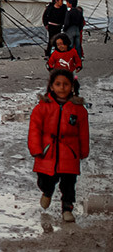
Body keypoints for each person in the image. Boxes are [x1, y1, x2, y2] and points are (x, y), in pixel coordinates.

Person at [28, 69, 89, 223]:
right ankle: (47, 192)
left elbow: (83, 132)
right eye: (58, 84)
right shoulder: (42, 107)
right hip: (47, 153)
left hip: (69, 153)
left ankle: (67, 209)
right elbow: (35, 129)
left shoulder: (79, 110)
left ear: (72, 86)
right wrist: (36, 148)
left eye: (66, 84)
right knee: (45, 180)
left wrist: (83, 150)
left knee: (69, 184)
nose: (62, 88)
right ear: (51, 86)